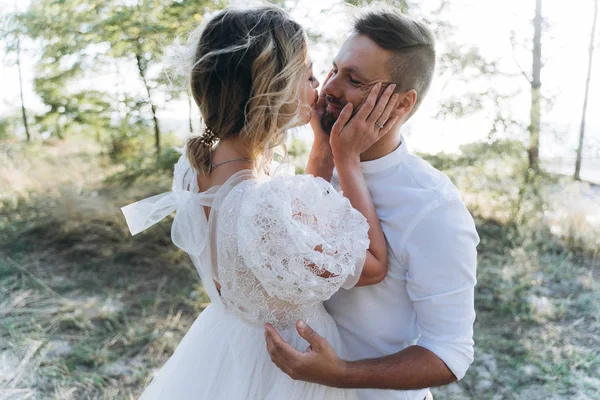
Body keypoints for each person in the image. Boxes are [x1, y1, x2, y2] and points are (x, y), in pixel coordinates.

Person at [121, 6, 402, 400]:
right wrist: (347, 159)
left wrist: (321, 148)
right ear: (275, 87)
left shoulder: (195, 165)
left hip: (224, 347)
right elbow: (372, 264)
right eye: (307, 74)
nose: (319, 84)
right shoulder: (266, 201)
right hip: (286, 364)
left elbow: (294, 236)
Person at [264, 6, 480, 400]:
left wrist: (341, 374)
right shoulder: (318, 166)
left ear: (400, 105)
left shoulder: (433, 207)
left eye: (354, 80)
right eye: (333, 70)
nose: (327, 88)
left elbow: (450, 353)